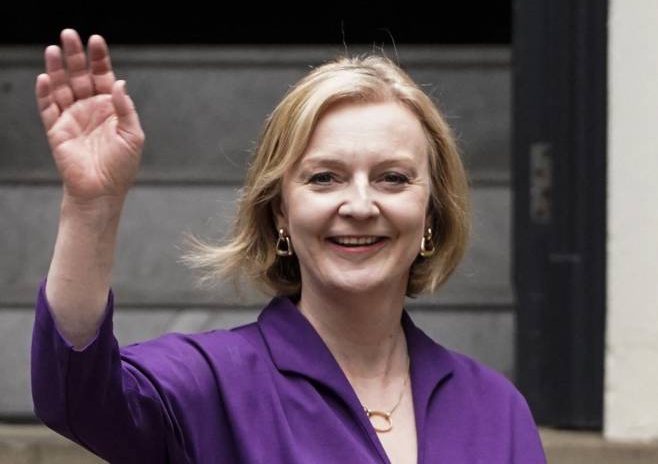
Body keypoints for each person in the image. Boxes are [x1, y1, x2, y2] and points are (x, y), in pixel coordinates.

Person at [31, 28, 546, 464]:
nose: (360, 205)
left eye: (392, 178)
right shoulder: (212, 383)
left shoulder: (495, 408)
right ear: (280, 211)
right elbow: (78, 396)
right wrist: (91, 206)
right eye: (325, 178)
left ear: (431, 212)